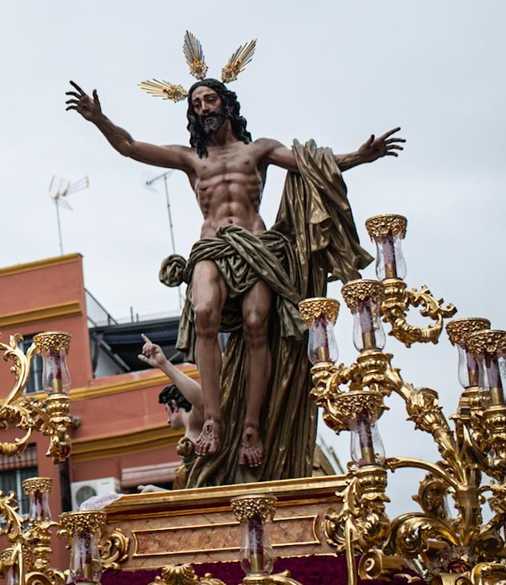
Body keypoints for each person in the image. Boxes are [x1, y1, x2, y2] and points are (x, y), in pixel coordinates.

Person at [67, 32, 402, 486]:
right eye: (196, 104)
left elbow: (312, 166)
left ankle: (250, 427)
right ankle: (215, 419)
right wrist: (99, 119)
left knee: (257, 326)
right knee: (204, 313)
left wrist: (359, 157)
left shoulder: (258, 150)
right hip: (211, 245)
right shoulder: (190, 159)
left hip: (258, 248)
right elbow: (129, 147)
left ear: (227, 104)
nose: (203, 107)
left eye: (210, 100)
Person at [138, 337, 199, 491]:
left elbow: (201, 400)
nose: (167, 421)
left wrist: (164, 364)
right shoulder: (190, 432)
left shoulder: (198, 422)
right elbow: (188, 495)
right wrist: (155, 491)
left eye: (167, 411)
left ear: (174, 405)